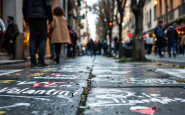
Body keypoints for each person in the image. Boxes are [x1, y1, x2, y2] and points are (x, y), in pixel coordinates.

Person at [23, 0, 53, 67]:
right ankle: (41, 60)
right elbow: (48, 5)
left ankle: (33, 62)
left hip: (31, 18)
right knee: (43, 39)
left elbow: (24, 7)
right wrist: (50, 18)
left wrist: (26, 19)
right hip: (42, 18)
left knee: (32, 39)